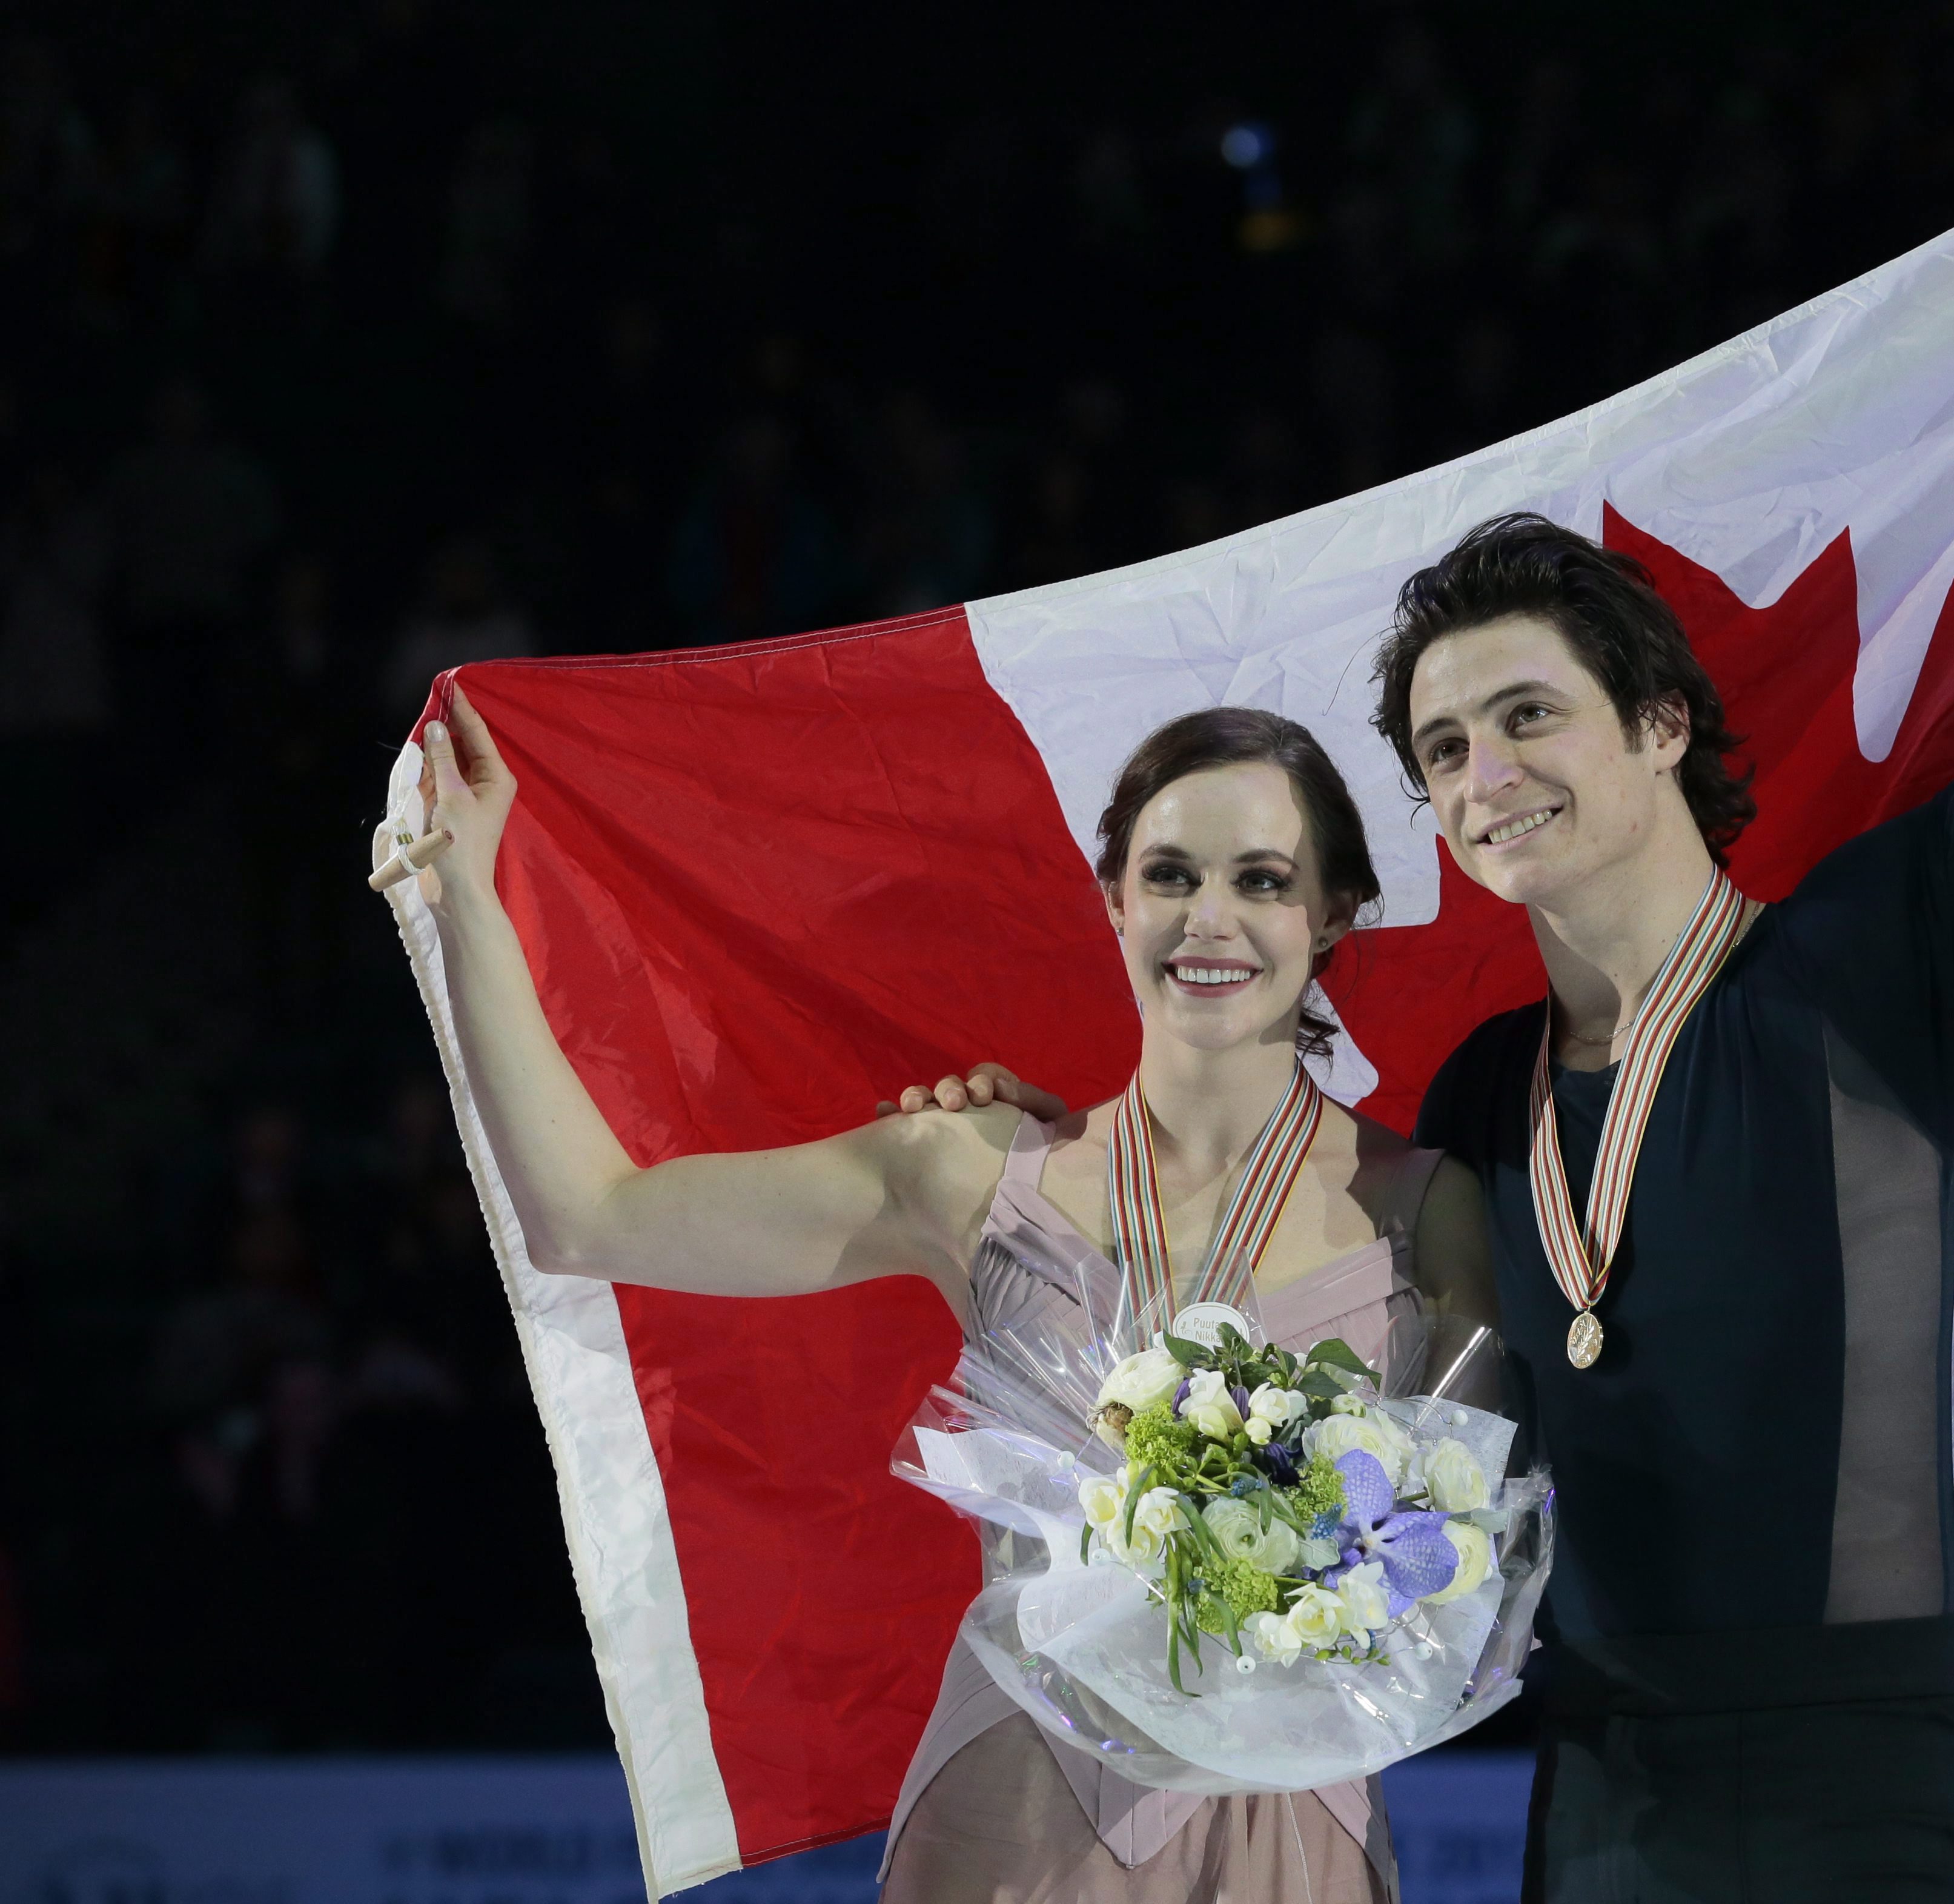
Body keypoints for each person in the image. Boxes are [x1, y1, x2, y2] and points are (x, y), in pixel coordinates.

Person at [910, 38, 1954, 1899]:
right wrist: (1037, 1145)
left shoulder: (1871, 967)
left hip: (1867, 1813)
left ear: (1658, 723)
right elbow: (1266, 1245)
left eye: (1527, 715)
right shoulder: (1478, 1097)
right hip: (1600, 1814)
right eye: (1446, 748)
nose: (1486, 775)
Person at [380, 691, 1493, 1903]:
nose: (1208, 917)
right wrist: (473, 903)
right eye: (1169, 874)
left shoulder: (1429, 1209)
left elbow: (1475, 1558)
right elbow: (587, 1216)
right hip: (1017, 1816)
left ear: (1334, 913)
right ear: (1112, 897)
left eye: (1263, 881)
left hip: (1301, 1831)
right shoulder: (969, 1166)